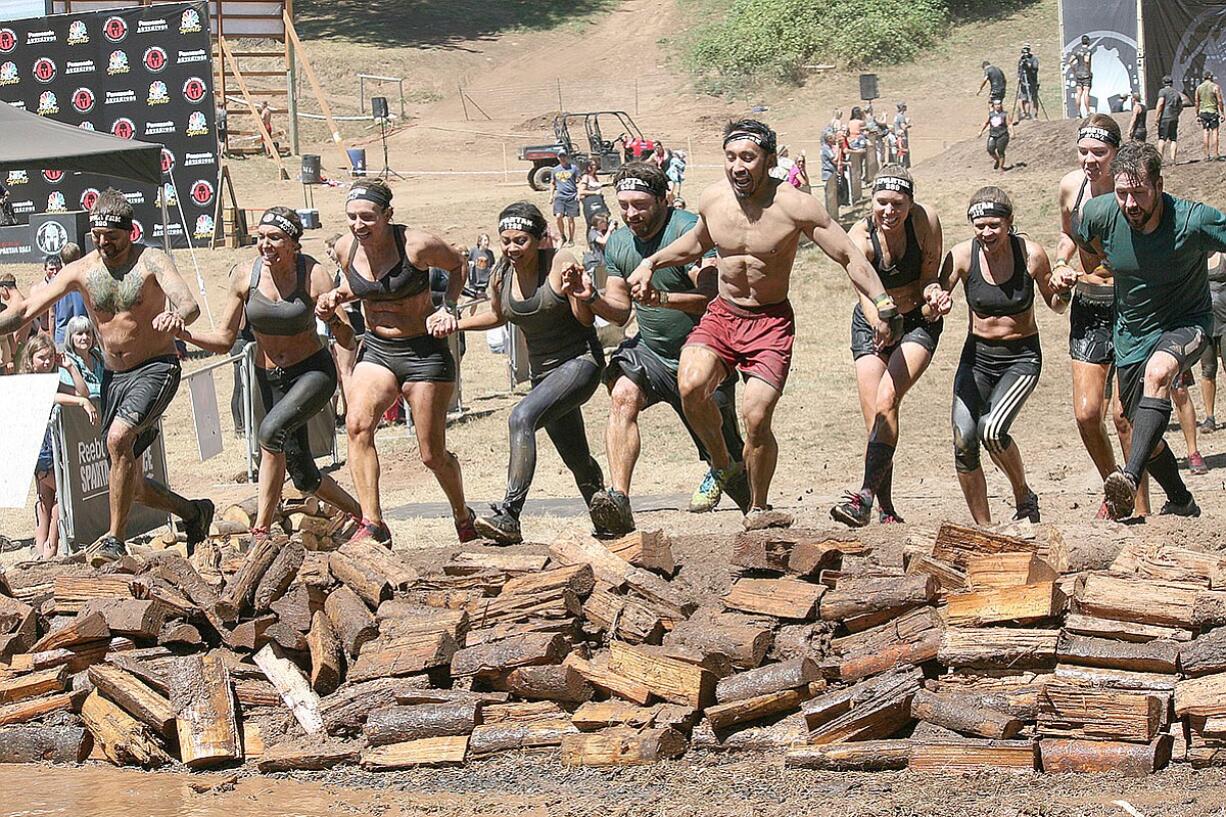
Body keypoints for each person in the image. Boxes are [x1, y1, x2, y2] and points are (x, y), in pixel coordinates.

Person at [627, 119, 895, 529]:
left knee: (755, 417)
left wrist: (880, 301)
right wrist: (651, 261)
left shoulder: (796, 205)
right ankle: (721, 462)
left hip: (770, 322)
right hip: (724, 313)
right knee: (690, 386)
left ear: (769, 160)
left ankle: (759, 507)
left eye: (747, 158)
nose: (737, 166)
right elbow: (697, 242)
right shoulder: (714, 199)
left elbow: (848, 256)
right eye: (730, 157)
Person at [0, 189, 210, 560]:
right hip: (115, 377)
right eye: (96, 238)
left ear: (129, 232)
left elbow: (188, 303)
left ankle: (114, 540)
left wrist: (178, 316)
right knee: (133, 482)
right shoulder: (82, 270)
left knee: (117, 440)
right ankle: (194, 513)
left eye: (111, 238)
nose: (103, 245)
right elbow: (28, 309)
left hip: (156, 367)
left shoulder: (151, 261)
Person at [581, 162, 749, 533]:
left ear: (663, 199)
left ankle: (756, 514)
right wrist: (590, 296)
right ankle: (618, 501)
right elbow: (621, 311)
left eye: (639, 204)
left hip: (704, 353)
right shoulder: (620, 243)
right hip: (652, 354)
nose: (630, 214)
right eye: (623, 204)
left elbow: (710, 296)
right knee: (622, 396)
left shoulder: (687, 230)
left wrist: (661, 298)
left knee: (728, 457)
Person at [178, 208, 363, 541]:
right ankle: (362, 517)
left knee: (270, 432)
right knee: (304, 476)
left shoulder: (314, 274)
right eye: (261, 237)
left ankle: (260, 530)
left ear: (293, 243)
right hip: (269, 380)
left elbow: (348, 338)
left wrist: (331, 318)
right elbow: (223, 340)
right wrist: (185, 336)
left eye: (275, 238)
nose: (265, 245)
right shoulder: (244, 277)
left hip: (312, 373)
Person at [314, 179, 475, 544]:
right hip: (378, 350)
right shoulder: (345, 248)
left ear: (388, 215)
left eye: (368, 217)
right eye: (352, 217)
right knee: (357, 426)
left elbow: (458, 265)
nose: (359, 225)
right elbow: (367, 286)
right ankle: (372, 523)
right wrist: (335, 296)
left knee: (432, 455)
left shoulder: (417, 245)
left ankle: (462, 516)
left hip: (424, 351)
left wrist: (447, 307)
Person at [1072, 141, 1226, 519]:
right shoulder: (1101, 212)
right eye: (1123, 193)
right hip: (1132, 333)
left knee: (1158, 375)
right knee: (1133, 423)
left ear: (1159, 184)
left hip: (1186, 324)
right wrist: (1087, 271)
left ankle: (1127, 477)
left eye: (1139, 193)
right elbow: (1085, 243)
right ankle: (1181, 500)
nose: (1130, 204)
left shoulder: (1192, 219)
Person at [450, 202, 606, 544]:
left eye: (520, 240)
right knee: (577, 458)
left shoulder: (561, 262)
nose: (511, 248)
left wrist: (579, 293)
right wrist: (456, 324)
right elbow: (498, 316)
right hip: (544, 376)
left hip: (580, 363)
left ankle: (509, 514)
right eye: (505, 240)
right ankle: (608, 517)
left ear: (539, 239)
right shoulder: (500, 274)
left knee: (521, 418)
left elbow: (585, 320)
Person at [933, 187, 1063, 524]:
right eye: (980, 226)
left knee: (991, 430)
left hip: (1020, 358)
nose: (986, 233)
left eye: (994, 225)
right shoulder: (962, 256)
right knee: (963, 440)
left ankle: (1024, 495)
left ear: (1009, 223)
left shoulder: (1031, 254)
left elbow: (1057, 305)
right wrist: (936, 303)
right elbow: (932, 302)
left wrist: (1063, 288)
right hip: (976, 357)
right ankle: (984, 528)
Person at [831, 166, 944, 527]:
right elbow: (863, 292)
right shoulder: (859, 236)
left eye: (898, 204)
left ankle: (863, 498)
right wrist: (881, 319)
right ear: (872, 201)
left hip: (917, 322)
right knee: (876, 420)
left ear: (910, 204)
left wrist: (935, 296)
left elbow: (929, 278)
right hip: (871, 321)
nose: (889, 212)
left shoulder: (926, 223)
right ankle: (886, 509)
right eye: (882, 203)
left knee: (887, 400)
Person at [1054, 115, 1139, 518]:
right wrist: (1060, 263)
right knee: (1088, 414)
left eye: (1099, 153)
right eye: (1084, 151)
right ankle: (1116, 490)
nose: (1090, 160)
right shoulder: (1072, 187)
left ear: (1116, 153)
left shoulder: (1133, 191)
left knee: (1125, 416)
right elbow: (1068, 234)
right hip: (1088, 306)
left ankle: (1143, 507)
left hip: (1131, 306)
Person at [24, 333, 98, 560]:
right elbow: (51, 397)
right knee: (62, 496)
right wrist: (80, 402)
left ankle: (41, 551)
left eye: (49, 358)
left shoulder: (54, 378)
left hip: (51, 448)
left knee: (47, 498)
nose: (46, 362)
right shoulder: (30, 381)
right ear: (30, 360)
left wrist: (71, 367)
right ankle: (49, 547)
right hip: (42, 450)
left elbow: (83, 392)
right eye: (41, 358)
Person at [1198, 251, 1226, 433]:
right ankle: (1210, 417)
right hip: (1205, 323)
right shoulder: (1195, 258)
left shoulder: (1224, 255)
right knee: (1208, 370)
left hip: (1225, 322)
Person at [59, 314, 104, 399]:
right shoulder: (66, 361)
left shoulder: (99, 357)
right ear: (71, 338)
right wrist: (104, 388)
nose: (85, 337)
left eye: (88, 333)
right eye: (80, 334)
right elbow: (73, 388)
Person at [52, 245, 88, 349]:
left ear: (62, 260)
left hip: (62, 336)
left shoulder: (54, 283)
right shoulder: (86, 281)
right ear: (79, 257)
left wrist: (52, 337)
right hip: (83, 334)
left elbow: (52, 315)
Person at [551, 151, 580, 247]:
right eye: (560, 156)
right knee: (558, 216)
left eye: (564, 156)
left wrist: (578, 193)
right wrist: (551, 195)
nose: (562, 158)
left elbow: (579, 181)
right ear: (558, 158)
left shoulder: (574, 168)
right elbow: (552, 183)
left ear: (567, 157)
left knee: (570, 219)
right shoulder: (555, 170)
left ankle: (571, 239)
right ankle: (562, 235)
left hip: (571, 196)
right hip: (560, 196)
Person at [1156, 75, 1186, 165]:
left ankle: (1160, 161)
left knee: (1162, 139)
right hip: (1174, 117)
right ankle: (1173, 160)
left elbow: (1160, 104)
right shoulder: (1176, 93)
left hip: (1165, 117)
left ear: (1163, 83)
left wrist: (1157, 117)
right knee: (1173, 139)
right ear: (1172, 83)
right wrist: (1176, 114)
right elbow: (1181, 106)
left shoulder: (1162, 92)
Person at [1196, 71, 1223, 162]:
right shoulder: (1215, 87)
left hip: (1203, 112)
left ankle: (1206, 155)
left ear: (1203, 78)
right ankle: (1215, 154)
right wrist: (1222, 112)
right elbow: (1219, 101)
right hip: (1213, 112)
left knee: (1205, 132)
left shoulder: (1199, 88)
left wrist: (1197, 114)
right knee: (1215, 132)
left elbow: (1197, 102)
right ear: (1211, 77)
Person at [980, 99, 1012, 171]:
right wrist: (981, 131)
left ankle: (1001, 167)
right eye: (996, 105)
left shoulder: (1005, 114)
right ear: (993, 106)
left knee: (1000, 151)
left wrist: (1012, 132)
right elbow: (986, 123)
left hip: (1002, 134)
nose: (998, 106)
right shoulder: (991, 114)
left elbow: (1009, 123)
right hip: (993, 134)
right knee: (990, 149)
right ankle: (997, 160)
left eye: (999, 104)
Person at [1069, 35, 1095, 118]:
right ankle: (1088, 112)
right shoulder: (1088, 51)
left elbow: (1070, 61)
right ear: (1088, 42)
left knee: (1078, 93)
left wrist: (1074, 71)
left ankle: (1078, 113)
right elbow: (1086, 61)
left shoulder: (1077, 51)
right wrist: (1088, 70)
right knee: (1086, 92)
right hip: (1086, 74)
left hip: (1079, 74)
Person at [1018, 45, 1040, 121]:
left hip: (1032, 82)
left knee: (1034, 98)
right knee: (1024, 98)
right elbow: (1019, 70)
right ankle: (1026, 114)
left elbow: (1035, 69)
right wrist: (1019, 77)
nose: (1025, 54)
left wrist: (1029, 66)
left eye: (1026, 51)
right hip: (1024, 82)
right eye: (1024, 52)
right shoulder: (1021, 59)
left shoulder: (1034, 59)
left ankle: (1035, 115)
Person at [893, 102, 912, 167]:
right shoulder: (901, 116)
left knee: (899, 151)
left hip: (897, 137)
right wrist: (908, 124)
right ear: (902, 108)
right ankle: (903, 167)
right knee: (903, 152)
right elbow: (903, 127)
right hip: (902, 137)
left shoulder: (896, 116)